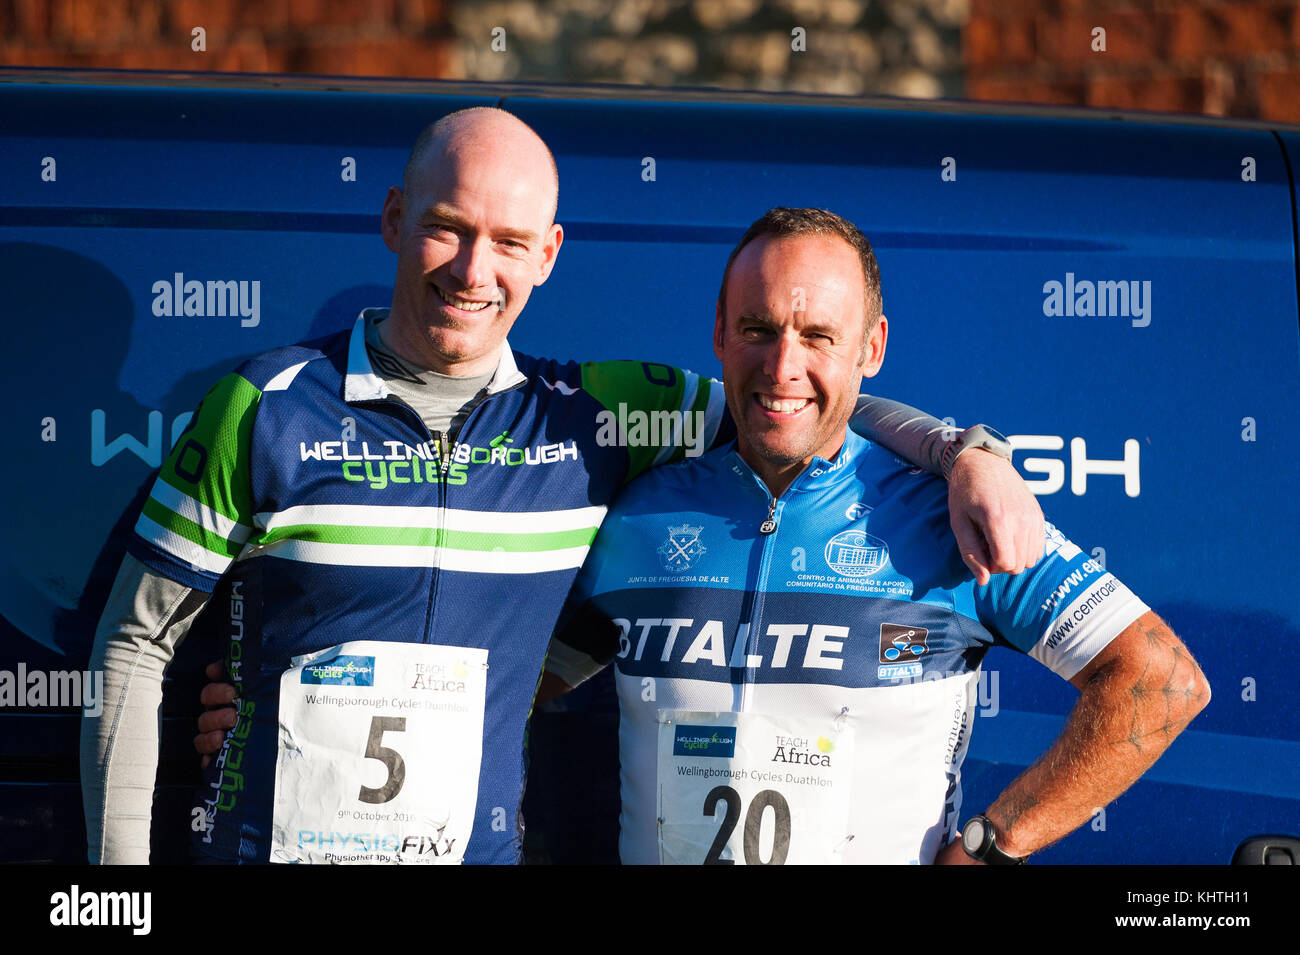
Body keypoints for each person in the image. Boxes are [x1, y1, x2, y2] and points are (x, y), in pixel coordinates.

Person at [84, 108, 1042, 865]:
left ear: (548, 254)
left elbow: (794, 398)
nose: (473, 270)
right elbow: (131, 647)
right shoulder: (264, 406)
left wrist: (964, 451)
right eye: (447, 229)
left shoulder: (598, 413)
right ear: (391, 221)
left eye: (508, 241)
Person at [543, 207, 1210, 865]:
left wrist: (994, 845)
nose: (782, 367)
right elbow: (521, 685)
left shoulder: (953, 518)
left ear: (872, 346)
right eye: (758, 328)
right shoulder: (639, 517)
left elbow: (1164, 679)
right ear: (719, 331)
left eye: (819, 337)